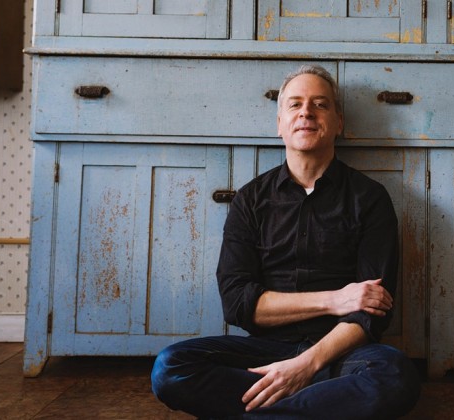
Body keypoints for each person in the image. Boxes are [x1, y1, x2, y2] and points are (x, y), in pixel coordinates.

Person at [151, 64, 421, 419]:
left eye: (320, 104)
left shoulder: (370, 199)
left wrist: (304, 367)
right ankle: (317, 406)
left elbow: (370, 314)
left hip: (340, 352)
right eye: (295, 105)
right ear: (280, 124)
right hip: (264, 351)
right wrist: (335, 298)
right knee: (172, 367)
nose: (306, 112)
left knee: (395, 374)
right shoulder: (250, 199)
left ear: (339, 123)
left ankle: (270, 407)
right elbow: (237, 303)